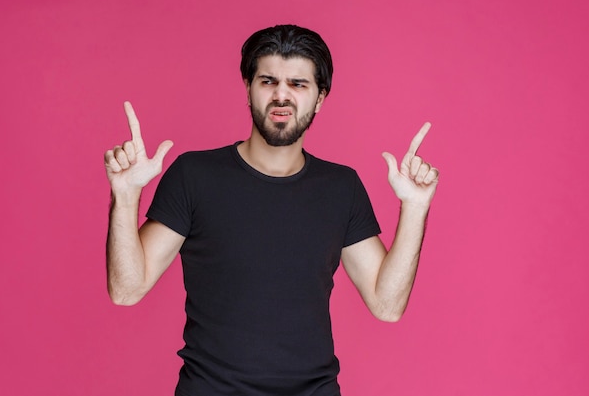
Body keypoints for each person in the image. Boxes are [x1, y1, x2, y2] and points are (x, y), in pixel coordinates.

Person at [104, 24, 439, 396]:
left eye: (298, 84)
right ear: (248, 89)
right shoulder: (194, 176)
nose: (282, 96)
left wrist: (415, 206)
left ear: (320, 98)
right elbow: (126, 290)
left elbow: (386, 304)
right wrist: (126, 194)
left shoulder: (340, 188)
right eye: (268, 81)